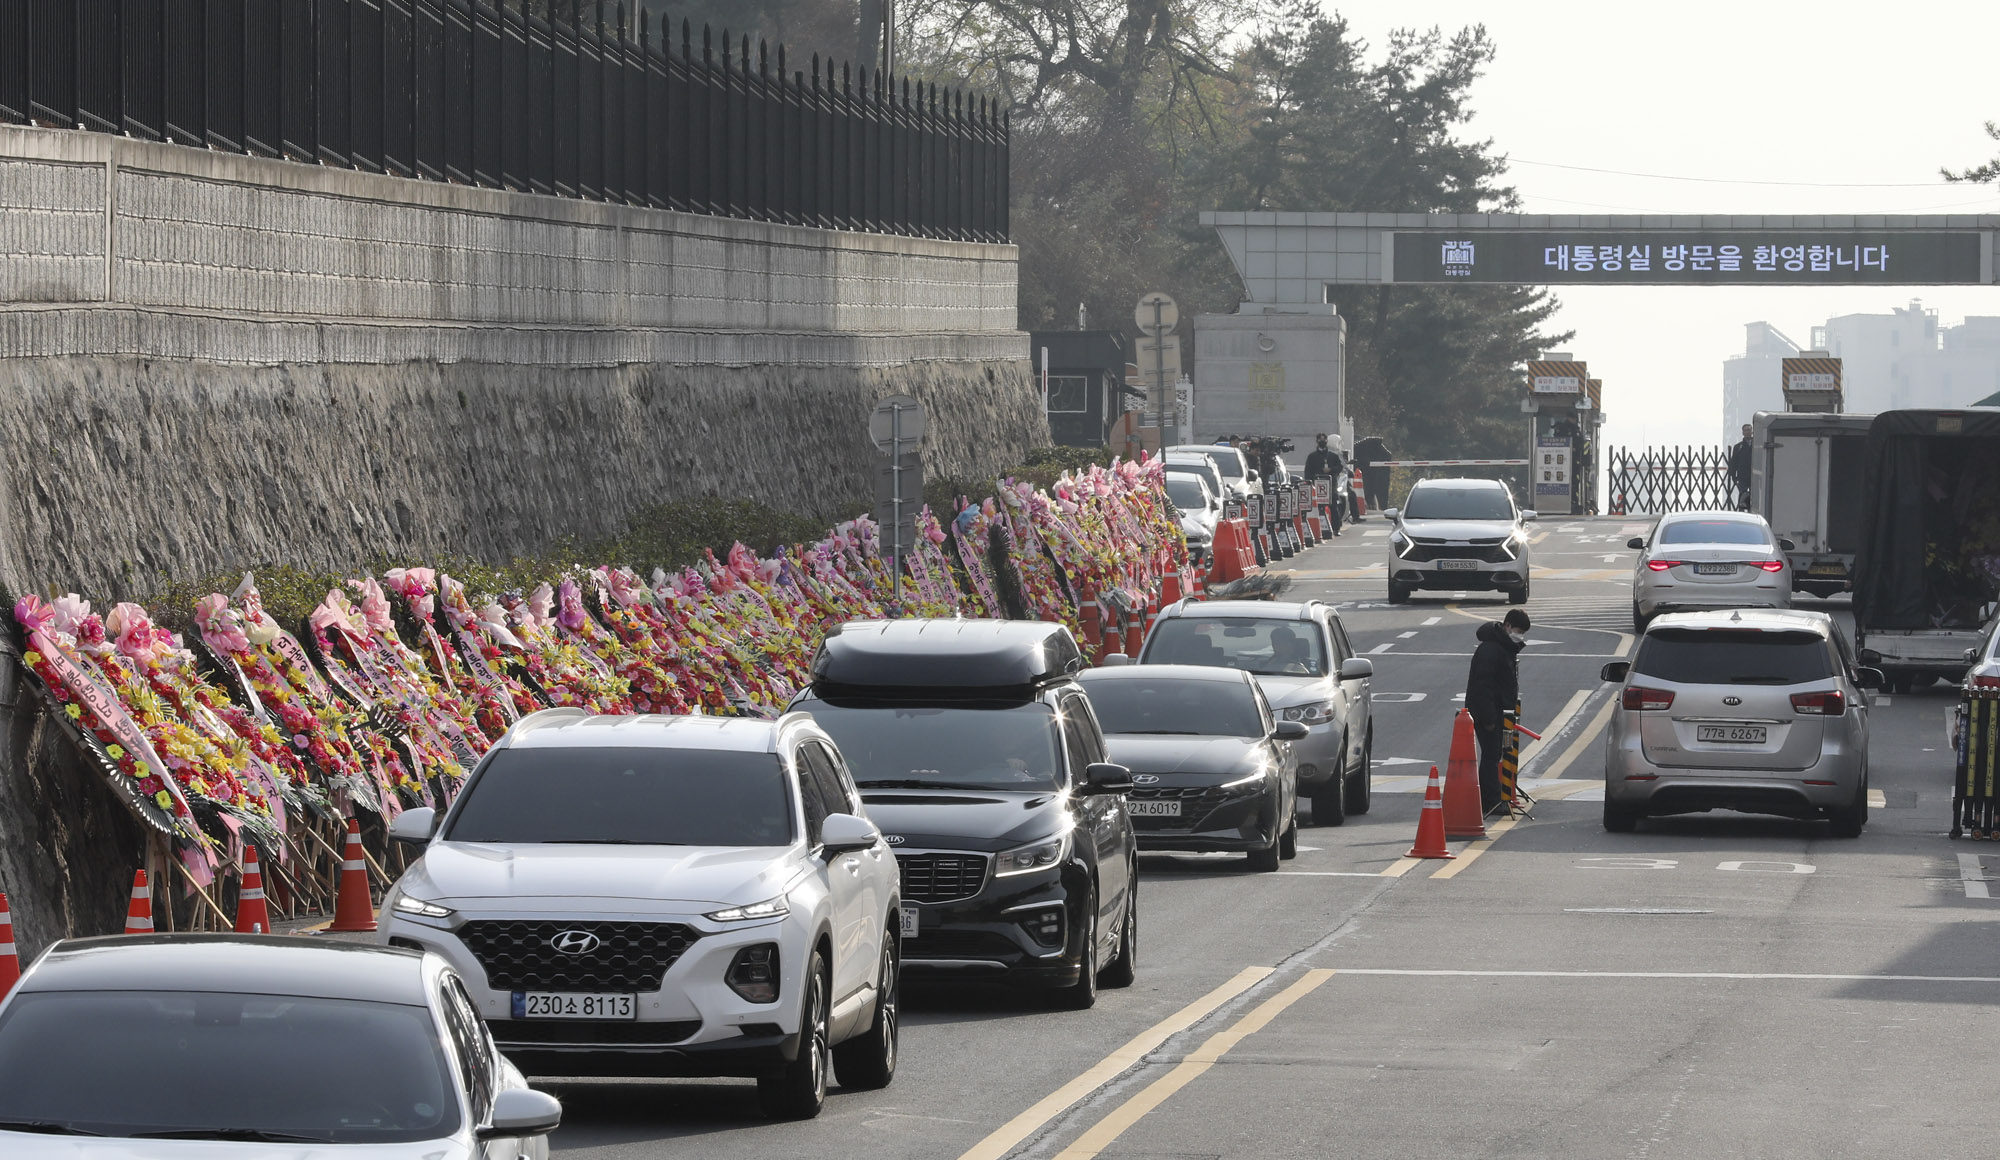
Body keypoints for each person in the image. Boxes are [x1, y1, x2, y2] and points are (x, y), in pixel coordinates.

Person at [1465, 609, 1530, 814]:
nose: (1520, 636)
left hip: (1498, 712)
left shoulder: (1502, 646)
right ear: (1507, 626)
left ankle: (1492, 798)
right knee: (1491, 756)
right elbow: (1483, 686)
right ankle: (1491, 801)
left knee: (1494, 755)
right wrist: (1489, 718)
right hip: (1489, 713)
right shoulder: (1492, 649)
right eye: (1518, 630)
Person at [1303, 434, 1346, 536]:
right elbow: (1308, 472)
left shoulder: (1333, 456)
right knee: (1316, 507)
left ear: (1327, 441)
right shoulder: (1312, 456)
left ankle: (1336, 528)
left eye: (1324, 440)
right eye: (1320, 440)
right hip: (1316, 486)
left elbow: (1340, 467)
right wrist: (1310, 483)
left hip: (1331, 485)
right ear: (1317, 441)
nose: (1322, 441)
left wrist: (1331, 470)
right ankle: (1316, 528)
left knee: (1334, 506)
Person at [1728, 423, 1754, 511]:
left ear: (1752, 431)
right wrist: (1733, 476)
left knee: (1755, 496)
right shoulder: (1738, 447)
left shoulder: (1757, 446)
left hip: (1754, 475)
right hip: (1742, 476)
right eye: (1745, 430)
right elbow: (1733, 462)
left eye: (1749, 430)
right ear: (1742, 432)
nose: (1747, 432)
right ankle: (1741, 510)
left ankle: (1752, 510)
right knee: (1742, 494)